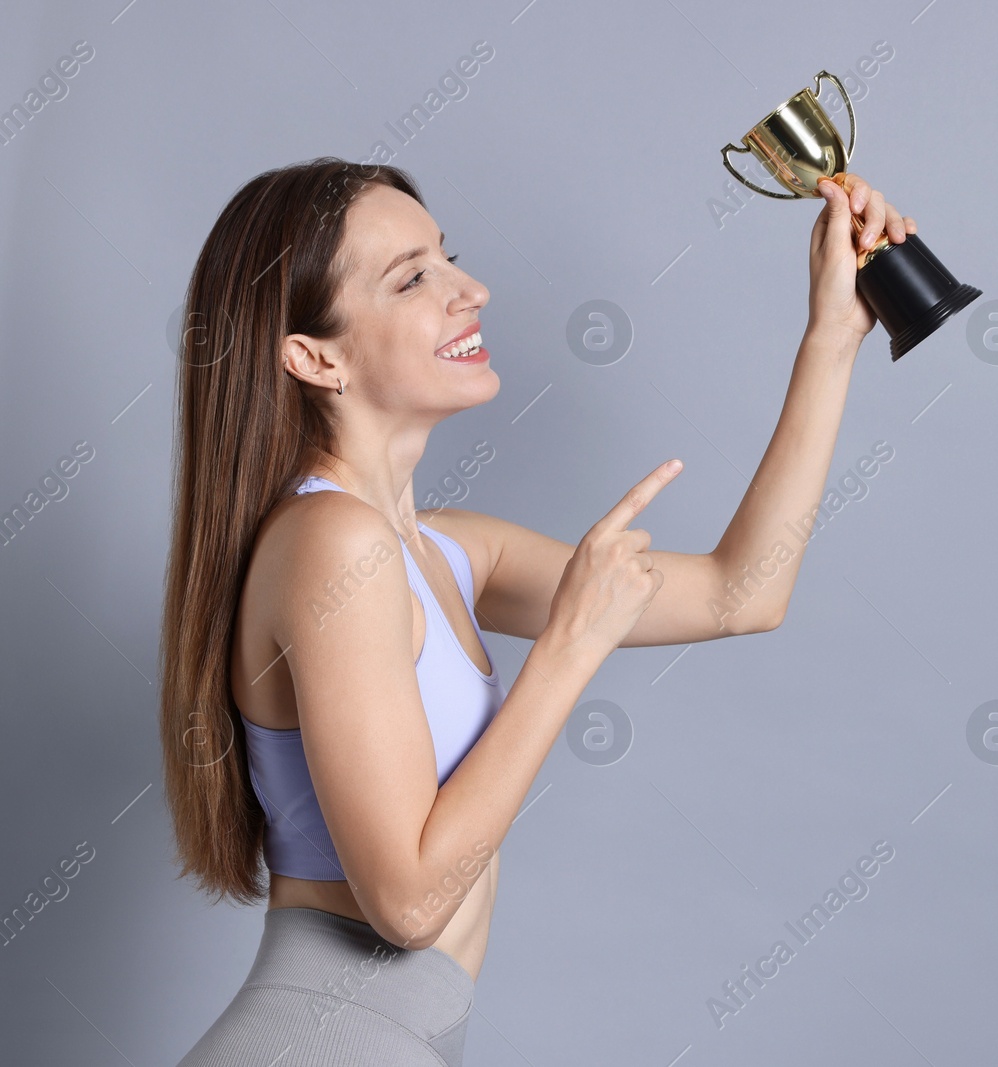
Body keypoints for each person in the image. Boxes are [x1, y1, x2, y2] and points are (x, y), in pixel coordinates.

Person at [162, 157, 913, 1064]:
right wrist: (568, 645)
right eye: (413, 278)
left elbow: (740, 593)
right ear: (315, 356)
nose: (469, 289)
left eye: (447, 258)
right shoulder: (332, 544)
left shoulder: (443, 549)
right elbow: (406, 904)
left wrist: (833, 334)